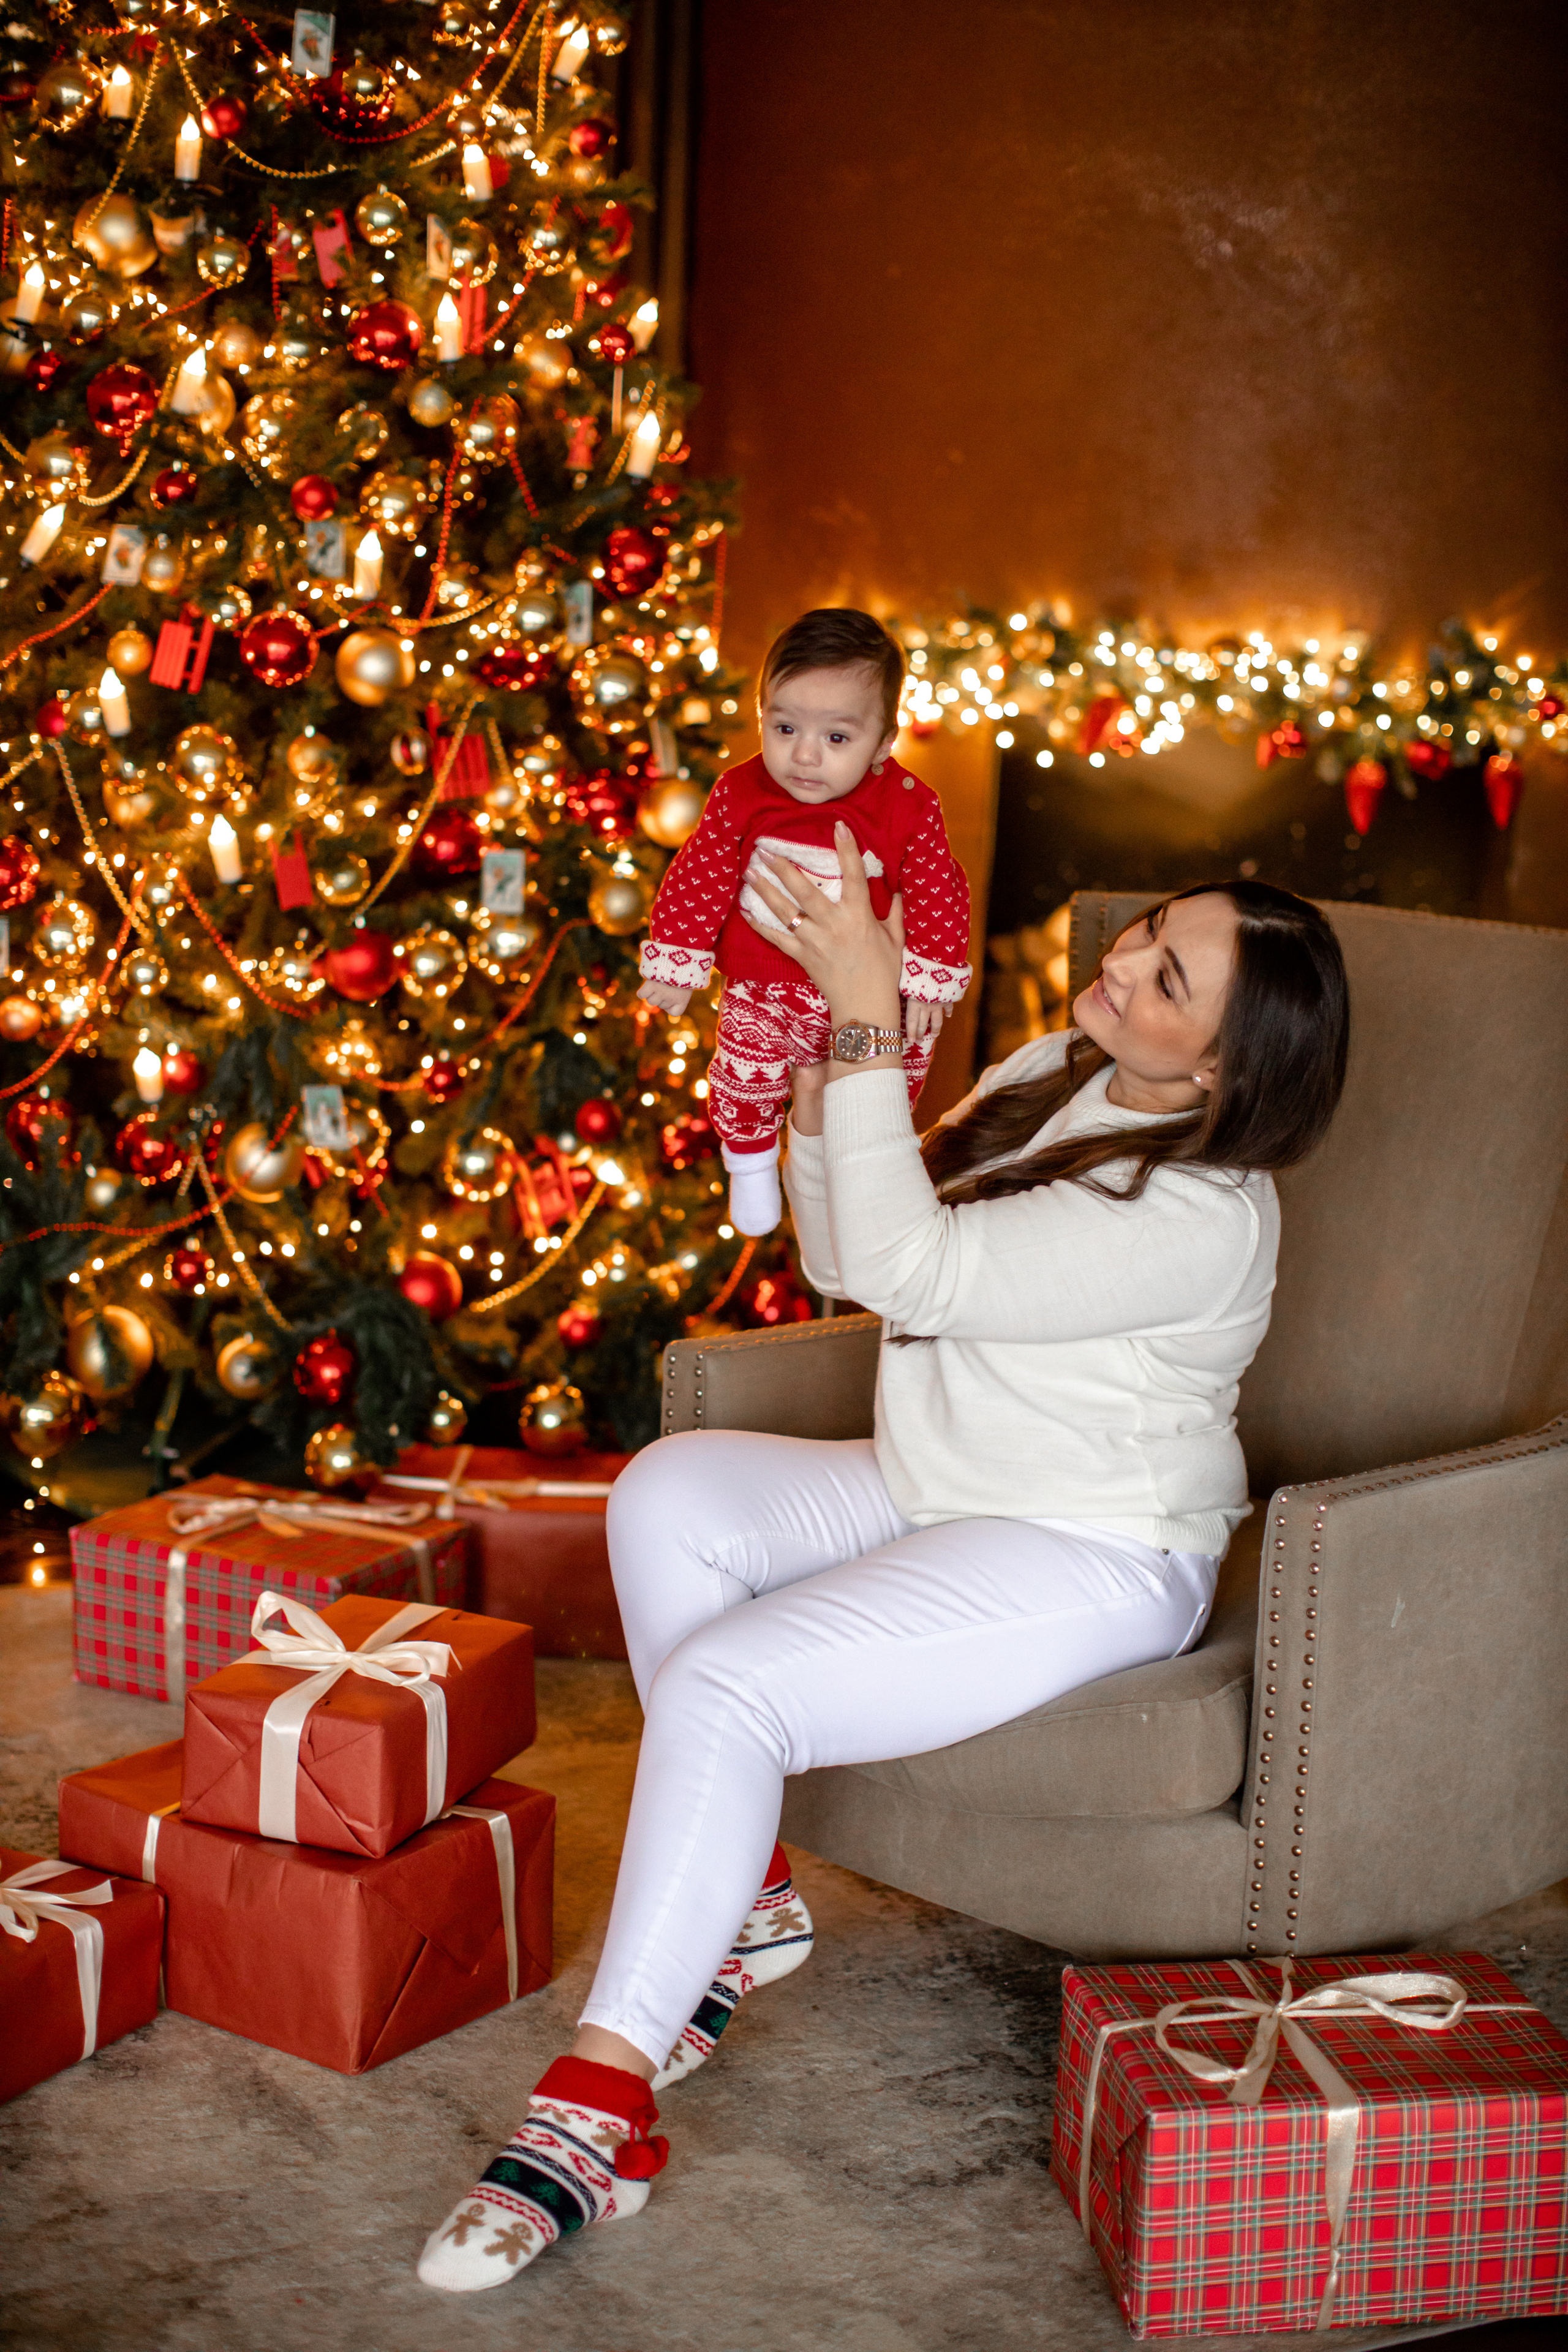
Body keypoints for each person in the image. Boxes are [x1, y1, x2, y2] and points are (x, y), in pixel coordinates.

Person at [418, 847, 1350, 2294]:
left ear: (1235, 1071)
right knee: (670, 1491)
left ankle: (598, 2107)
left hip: (1089, 1542)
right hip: (941, 1480)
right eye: (1150, 927)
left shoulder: (1199, 1215)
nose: (1117, 960)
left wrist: (863, 1022)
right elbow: (856, 1250)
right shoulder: (1058, 1060)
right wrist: (814, 1101)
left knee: (729, 1688)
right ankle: (751, 1895)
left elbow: (914, 1272)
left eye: (1164, 977)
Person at [634, 607, 972, 1236]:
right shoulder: (741, 791)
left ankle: (863, 1178)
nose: (804, 756)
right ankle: (752, 1162)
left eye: (837, 738)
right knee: (743, 1073)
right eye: (784, 727)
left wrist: (931, 979)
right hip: (763, 986)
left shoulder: (907, 805)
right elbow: (702, 871)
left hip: (870, 998)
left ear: (883, 742)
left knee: (884, 1088)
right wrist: (680, 959)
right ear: (762, 713)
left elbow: (935, 887)